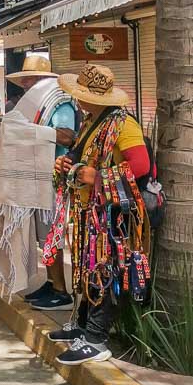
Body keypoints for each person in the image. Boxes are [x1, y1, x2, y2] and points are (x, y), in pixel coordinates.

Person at [46, 64, 151, 366]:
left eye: (80, 94)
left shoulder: (123, 124)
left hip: (111, 217)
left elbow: (140, 166)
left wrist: (95, 176)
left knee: (105, 271)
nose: (76, 99)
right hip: (89, 213)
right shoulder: (92, 121)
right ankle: (82, 326)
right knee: (87, 268)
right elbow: (81, 157)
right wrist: (68, 165)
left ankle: (96, 338)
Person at [0, 53, 77, 304]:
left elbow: (68, 137)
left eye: (30, 79)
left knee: (50, 236)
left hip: (53, 178)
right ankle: (51, 283)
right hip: (37, 179)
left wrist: (26, 132)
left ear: (43, 80)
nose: (25, 85)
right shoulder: (36, 105)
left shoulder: (60, 103)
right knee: (42, 236)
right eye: (24, 80)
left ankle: (60, 291)